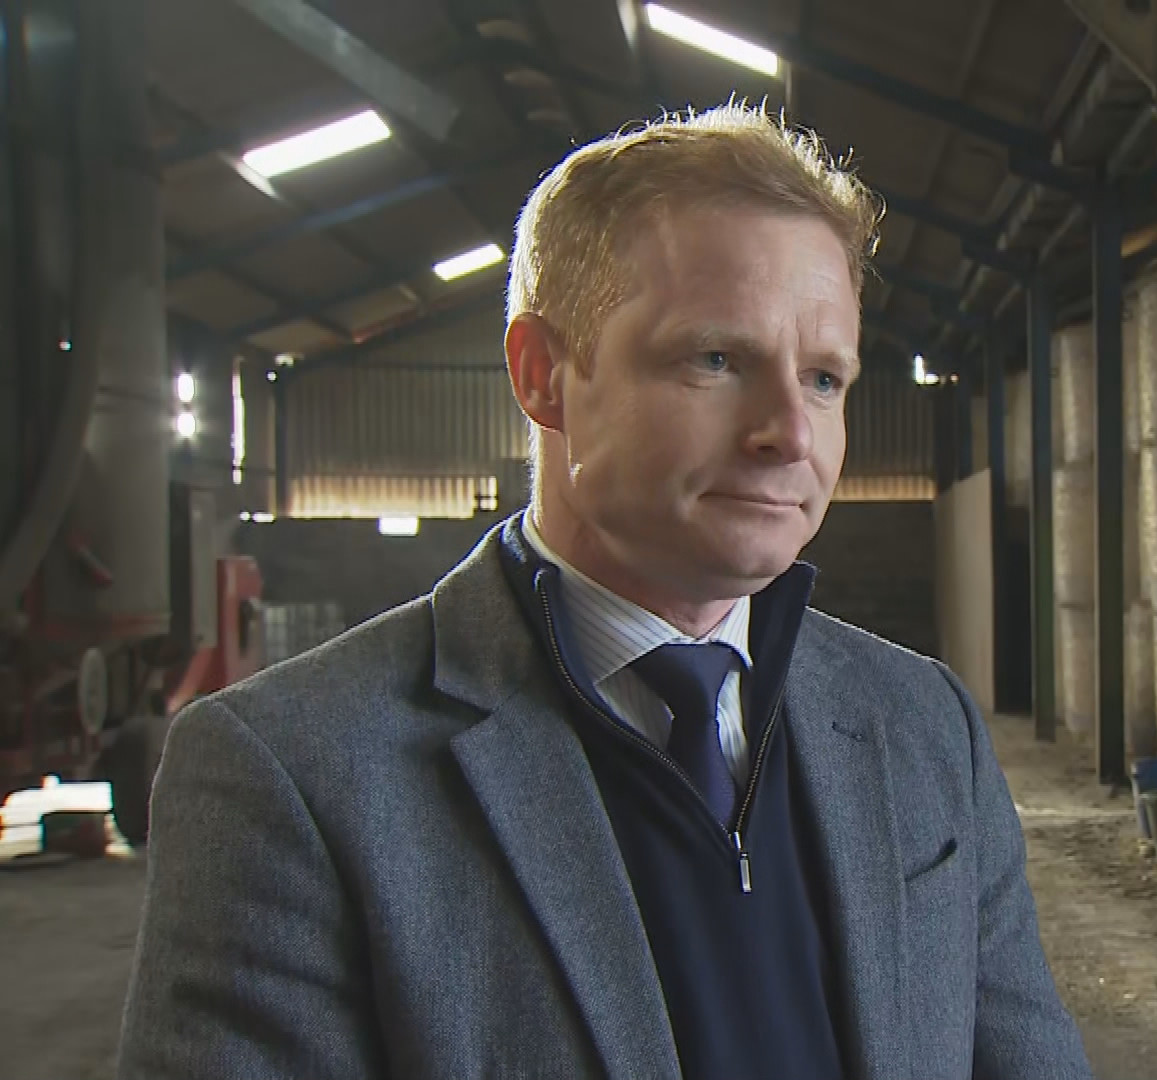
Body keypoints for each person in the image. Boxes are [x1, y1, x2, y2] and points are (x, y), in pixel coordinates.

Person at [117, 103, 1093, 1080]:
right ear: (544, 375)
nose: (791, 433)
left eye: (825, 379)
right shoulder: (294, 776)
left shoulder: (925, 724)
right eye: (717, 359)